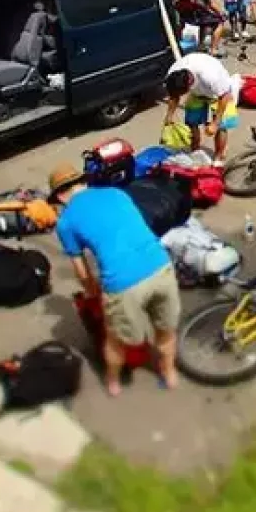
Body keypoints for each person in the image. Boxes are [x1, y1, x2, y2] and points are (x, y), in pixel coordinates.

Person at [49, 164, 181, 394]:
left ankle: (113, 382)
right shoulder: (116, 193)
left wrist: (95, 295)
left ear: (60, 196)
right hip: (160, 265)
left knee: (115, 340)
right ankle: (169, 374)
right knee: (165, 331)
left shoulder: (66, 222)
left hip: (123, 283)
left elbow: (82, 273)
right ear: (83, 182)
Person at [163, 52, 240, 165]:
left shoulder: (211, 76)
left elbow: (224, 96)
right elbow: (174, 96)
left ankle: (219, 157)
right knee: (191, 121)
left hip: (220, 94)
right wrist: (169, 115)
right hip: (197, 93)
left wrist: (215, 123)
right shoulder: (173, 74)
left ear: (189, 83)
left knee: (222, 127)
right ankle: (195, 151)